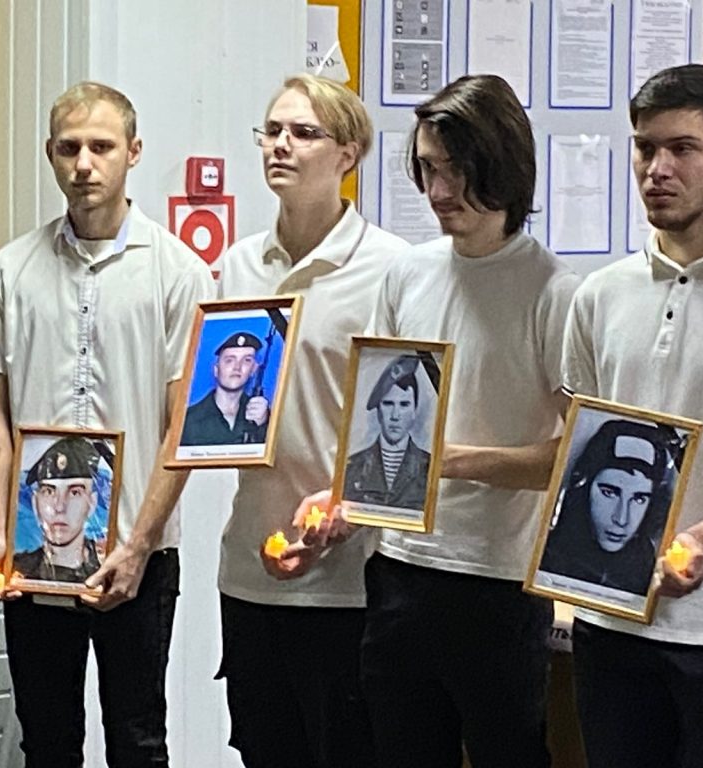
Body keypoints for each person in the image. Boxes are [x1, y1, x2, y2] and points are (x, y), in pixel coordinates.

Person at [0, 81, 214, 768]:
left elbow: (183, 426)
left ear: (133, 152)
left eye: (101, 147)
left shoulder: (179, 273)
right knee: (47, 743)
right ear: (49, 153)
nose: (84, 164)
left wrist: (138, 546)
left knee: (138, 741)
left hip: (139, 554)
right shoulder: (12, 269)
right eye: (69, 148)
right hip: (34, 556)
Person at [337, 74, 580, 768]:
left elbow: (575, 456)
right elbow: (370, 422)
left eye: (455, 171)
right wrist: (343, 506)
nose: (438, 191)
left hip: (497, 583)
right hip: (398, 570)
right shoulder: (407, 275)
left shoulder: (554, 292)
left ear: (501, 166)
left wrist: (447, 460)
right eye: (427, 170)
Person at [562, 63, 703, 768]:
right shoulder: (599, 294)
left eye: (682, 148)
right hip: (607, 619)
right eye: (644, 148)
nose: (657, 169)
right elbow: (575, 450)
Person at [215, 73, 408, 768]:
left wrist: (348, 513)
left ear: (348, 154)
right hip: (249, 568)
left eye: (303, 133)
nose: (281, 145)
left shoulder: (393, 269)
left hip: (350, 578)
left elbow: (410, 427)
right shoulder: (238, 265)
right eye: (272, 131)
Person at [539, 419, 677, 595]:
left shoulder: (650, 570)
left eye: (639, 499)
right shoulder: (548, 557)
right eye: (609, 493)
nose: (621, 518)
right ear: (583, 488)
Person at [13, 436, 109, 584]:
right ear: (34, 503)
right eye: (49, 491)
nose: (59, 507)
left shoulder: (107, 567)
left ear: (92, 503)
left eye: (74, 492)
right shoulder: (18, 571)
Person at [344, 354, 431, 510]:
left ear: (414, 411)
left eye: (404, 405)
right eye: (388, 404)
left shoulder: (429, 467)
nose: (395, 415)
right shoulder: (353, 467)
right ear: (378, 410)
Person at [180, 331, 269, 445]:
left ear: (253, 370)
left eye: (246, 360)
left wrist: (263, 425)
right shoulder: (188, 420)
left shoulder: (264, 417)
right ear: (216, 370)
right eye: (229, 360)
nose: (237, 367)